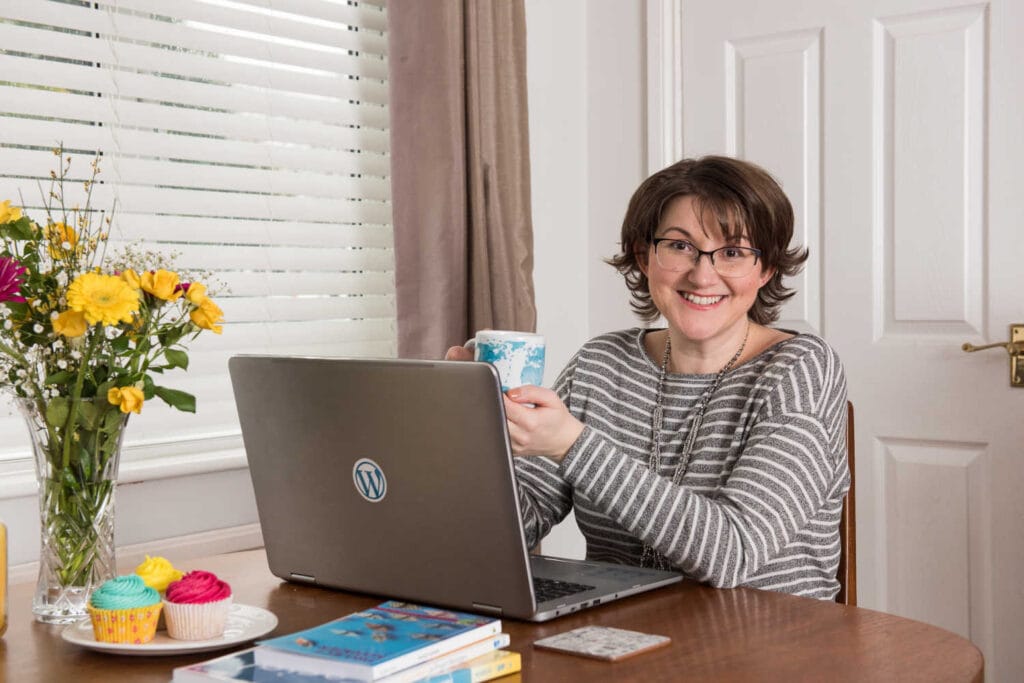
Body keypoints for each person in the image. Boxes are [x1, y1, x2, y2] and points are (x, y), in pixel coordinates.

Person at [447, 156, 849, 600]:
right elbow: (514, 526)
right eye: (679, 246)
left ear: (766, 268)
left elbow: (733, 553)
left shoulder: (801, 369)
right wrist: (473, 434)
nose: (702, 274)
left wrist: (571, 444)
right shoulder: (601, 363)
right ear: (644, 256)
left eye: (733, 252)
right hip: (623, 640)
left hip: (773, 649)